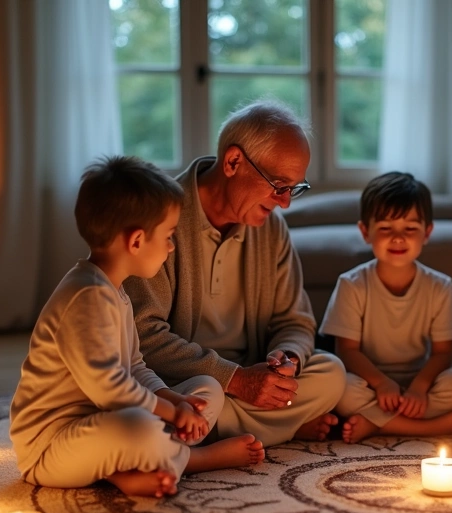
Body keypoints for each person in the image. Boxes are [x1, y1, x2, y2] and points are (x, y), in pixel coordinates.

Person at [10, 156, 265, 498]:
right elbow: (111, 389)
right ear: (136, 241)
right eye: (169, 236)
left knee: (207, 389)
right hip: (51, 447)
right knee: (139, 426)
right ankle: (193, 459)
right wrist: (171, 412)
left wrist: (175, 400)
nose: (171, 247)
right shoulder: (86, 297)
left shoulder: (116, 291)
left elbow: (135, 367)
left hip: (102, 425)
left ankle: (127, 470)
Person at [125, 100, 346, 446]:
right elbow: (143, 336)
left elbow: (295, 321)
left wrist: (287, 359)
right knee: (196, 393)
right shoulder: (160, 219)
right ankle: (282, 425)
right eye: (279, 185)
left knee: (332, 373)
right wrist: (236, 380)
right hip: (185, 382)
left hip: (253, 373)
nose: (285, 202)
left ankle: (207, 431)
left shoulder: (272, 229)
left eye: (294, 188)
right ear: (233, 162)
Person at [321, 172, 452, 443]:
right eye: (385, 228)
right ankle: (431, 427)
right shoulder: (352, 284)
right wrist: (381, 383)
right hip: (369, 383)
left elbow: (443, 354)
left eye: (410, 229)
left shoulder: (440, 286)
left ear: (427, 233)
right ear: (365, 232)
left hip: (420, 384)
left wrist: (419, 387)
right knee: (341, 387)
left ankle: (378, 425)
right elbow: (346, 351)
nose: (398, 238)